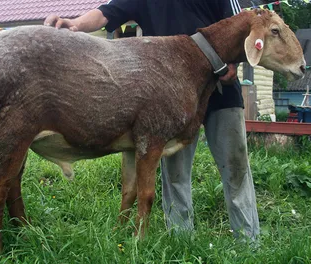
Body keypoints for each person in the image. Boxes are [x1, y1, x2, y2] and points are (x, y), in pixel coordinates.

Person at [44, 0, 260, 241]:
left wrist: (233, 65)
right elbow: (107, 13)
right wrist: (75, 23)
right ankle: (180, 239)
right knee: (175, 174)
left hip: (221, 90)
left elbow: (243, 24)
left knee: (236, 167)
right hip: (170, 100)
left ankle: (247, 240)